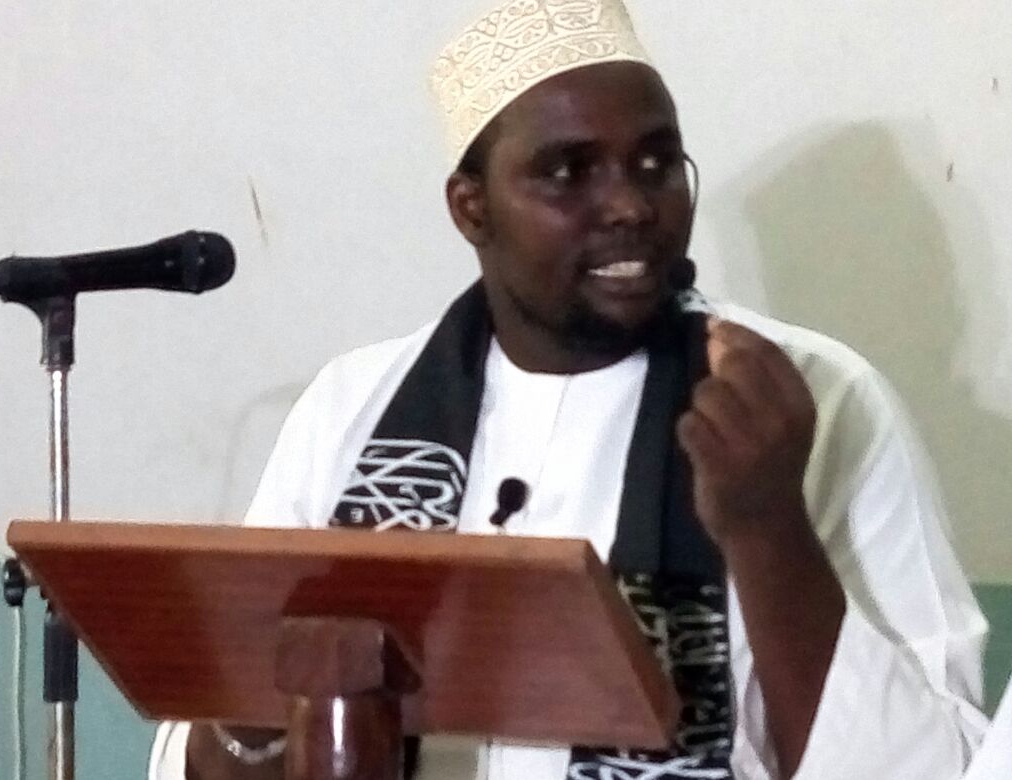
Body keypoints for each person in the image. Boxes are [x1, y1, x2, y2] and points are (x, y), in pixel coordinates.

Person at [150, 1, 988, 778]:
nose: (630, 206)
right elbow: (209, 745)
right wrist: (273, 694)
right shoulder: (353, 409)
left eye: (656, 164)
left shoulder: (817, 402)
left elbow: (936, 767)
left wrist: (769, 528)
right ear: (471, 208)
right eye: (567, 171)